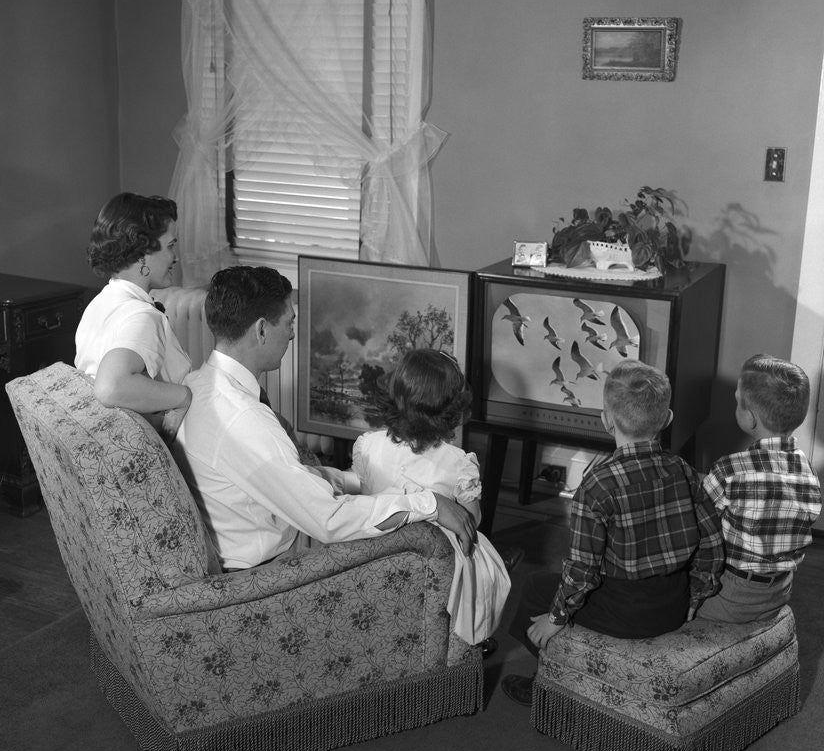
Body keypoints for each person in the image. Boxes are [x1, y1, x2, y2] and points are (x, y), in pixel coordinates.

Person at [172, 266, 477, 571]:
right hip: (268, 574)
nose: (293, 333)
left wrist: (347, 480)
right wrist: (430, 504)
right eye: (289, 323)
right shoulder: (245, 421)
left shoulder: (195, 384)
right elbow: (329, 520)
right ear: (262, 329)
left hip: (259, 537)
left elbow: (274, 475)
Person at [502, 359, 724, 707]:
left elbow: (581, 571)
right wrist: (693, 599)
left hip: (624, 610)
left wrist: (556, 617)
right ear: (666, 420)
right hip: (674, 601)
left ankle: (547, 684)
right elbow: (712, 545)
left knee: (534, 588)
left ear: (606, 421)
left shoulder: (596, 484)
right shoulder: (683, 469)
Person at [347, 349, 511, 651]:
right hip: (434, 566)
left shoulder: (367, 446)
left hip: (376, 553)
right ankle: (475, 633)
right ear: (452, 408)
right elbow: (472, 520)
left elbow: (363, 496)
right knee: (481, 555)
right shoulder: (459, 462)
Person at [696, 353, 821, 625]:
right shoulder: (807, 472)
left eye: (736, 400)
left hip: (731, 595)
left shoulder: (730, 469)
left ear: (750, 419)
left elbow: (695, 520)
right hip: (780, 591)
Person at [74, 192, 191, 441]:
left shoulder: (98, 305)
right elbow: (110, 386)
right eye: (170, 246)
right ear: (142, 254)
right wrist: (185, 396)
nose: (175, 257)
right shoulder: (143, 317)